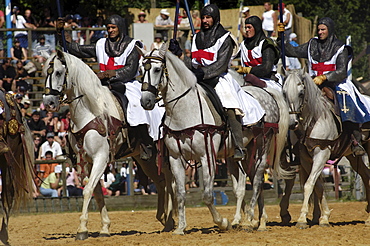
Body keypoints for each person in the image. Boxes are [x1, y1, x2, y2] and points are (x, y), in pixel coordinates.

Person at [56, 14, 163, 160]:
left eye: (113, 27)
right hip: (102, 85)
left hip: (126, 84)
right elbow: (77, 50)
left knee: (137, 106)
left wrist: (109, 74)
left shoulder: (132, 45)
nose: (110, 30)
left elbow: (131, 69)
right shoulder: (101, 44)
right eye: (108, 28)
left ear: (120, 27)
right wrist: (60, 33)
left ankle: (145, 141)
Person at [169, 4, 265, 160]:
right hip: (197, 77)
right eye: (204, 17)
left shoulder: (225, 38)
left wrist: (202, 73)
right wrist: (179, 55)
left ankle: (238, 145)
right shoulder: (196, 38)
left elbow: (220, 65)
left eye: (208, 17)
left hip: (219, 79)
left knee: (230, 108)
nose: (205, 20)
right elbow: (192, 63)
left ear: (215, 19)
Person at [280, 17, 370, 156]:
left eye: (323, 30)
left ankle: (355, 140)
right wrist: (283, 36)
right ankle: (297, 144)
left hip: (336, 83)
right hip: (313, 84)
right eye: (319, 30)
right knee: (296, 102)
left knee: (346, 103)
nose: (320, 32)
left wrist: (325, 77)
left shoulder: (340, 48)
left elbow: (341, 71)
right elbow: (291, 51)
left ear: (330, 30)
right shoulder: (312, 44)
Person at [237, 16, 282, 92]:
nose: (247, 30)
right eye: (246, 28)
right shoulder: (243, 45)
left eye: (249, 27)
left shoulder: (266, 44)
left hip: (268, 81)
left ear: (256, 27)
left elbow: (266, 68)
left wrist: (249, 70)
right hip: (247, 80)